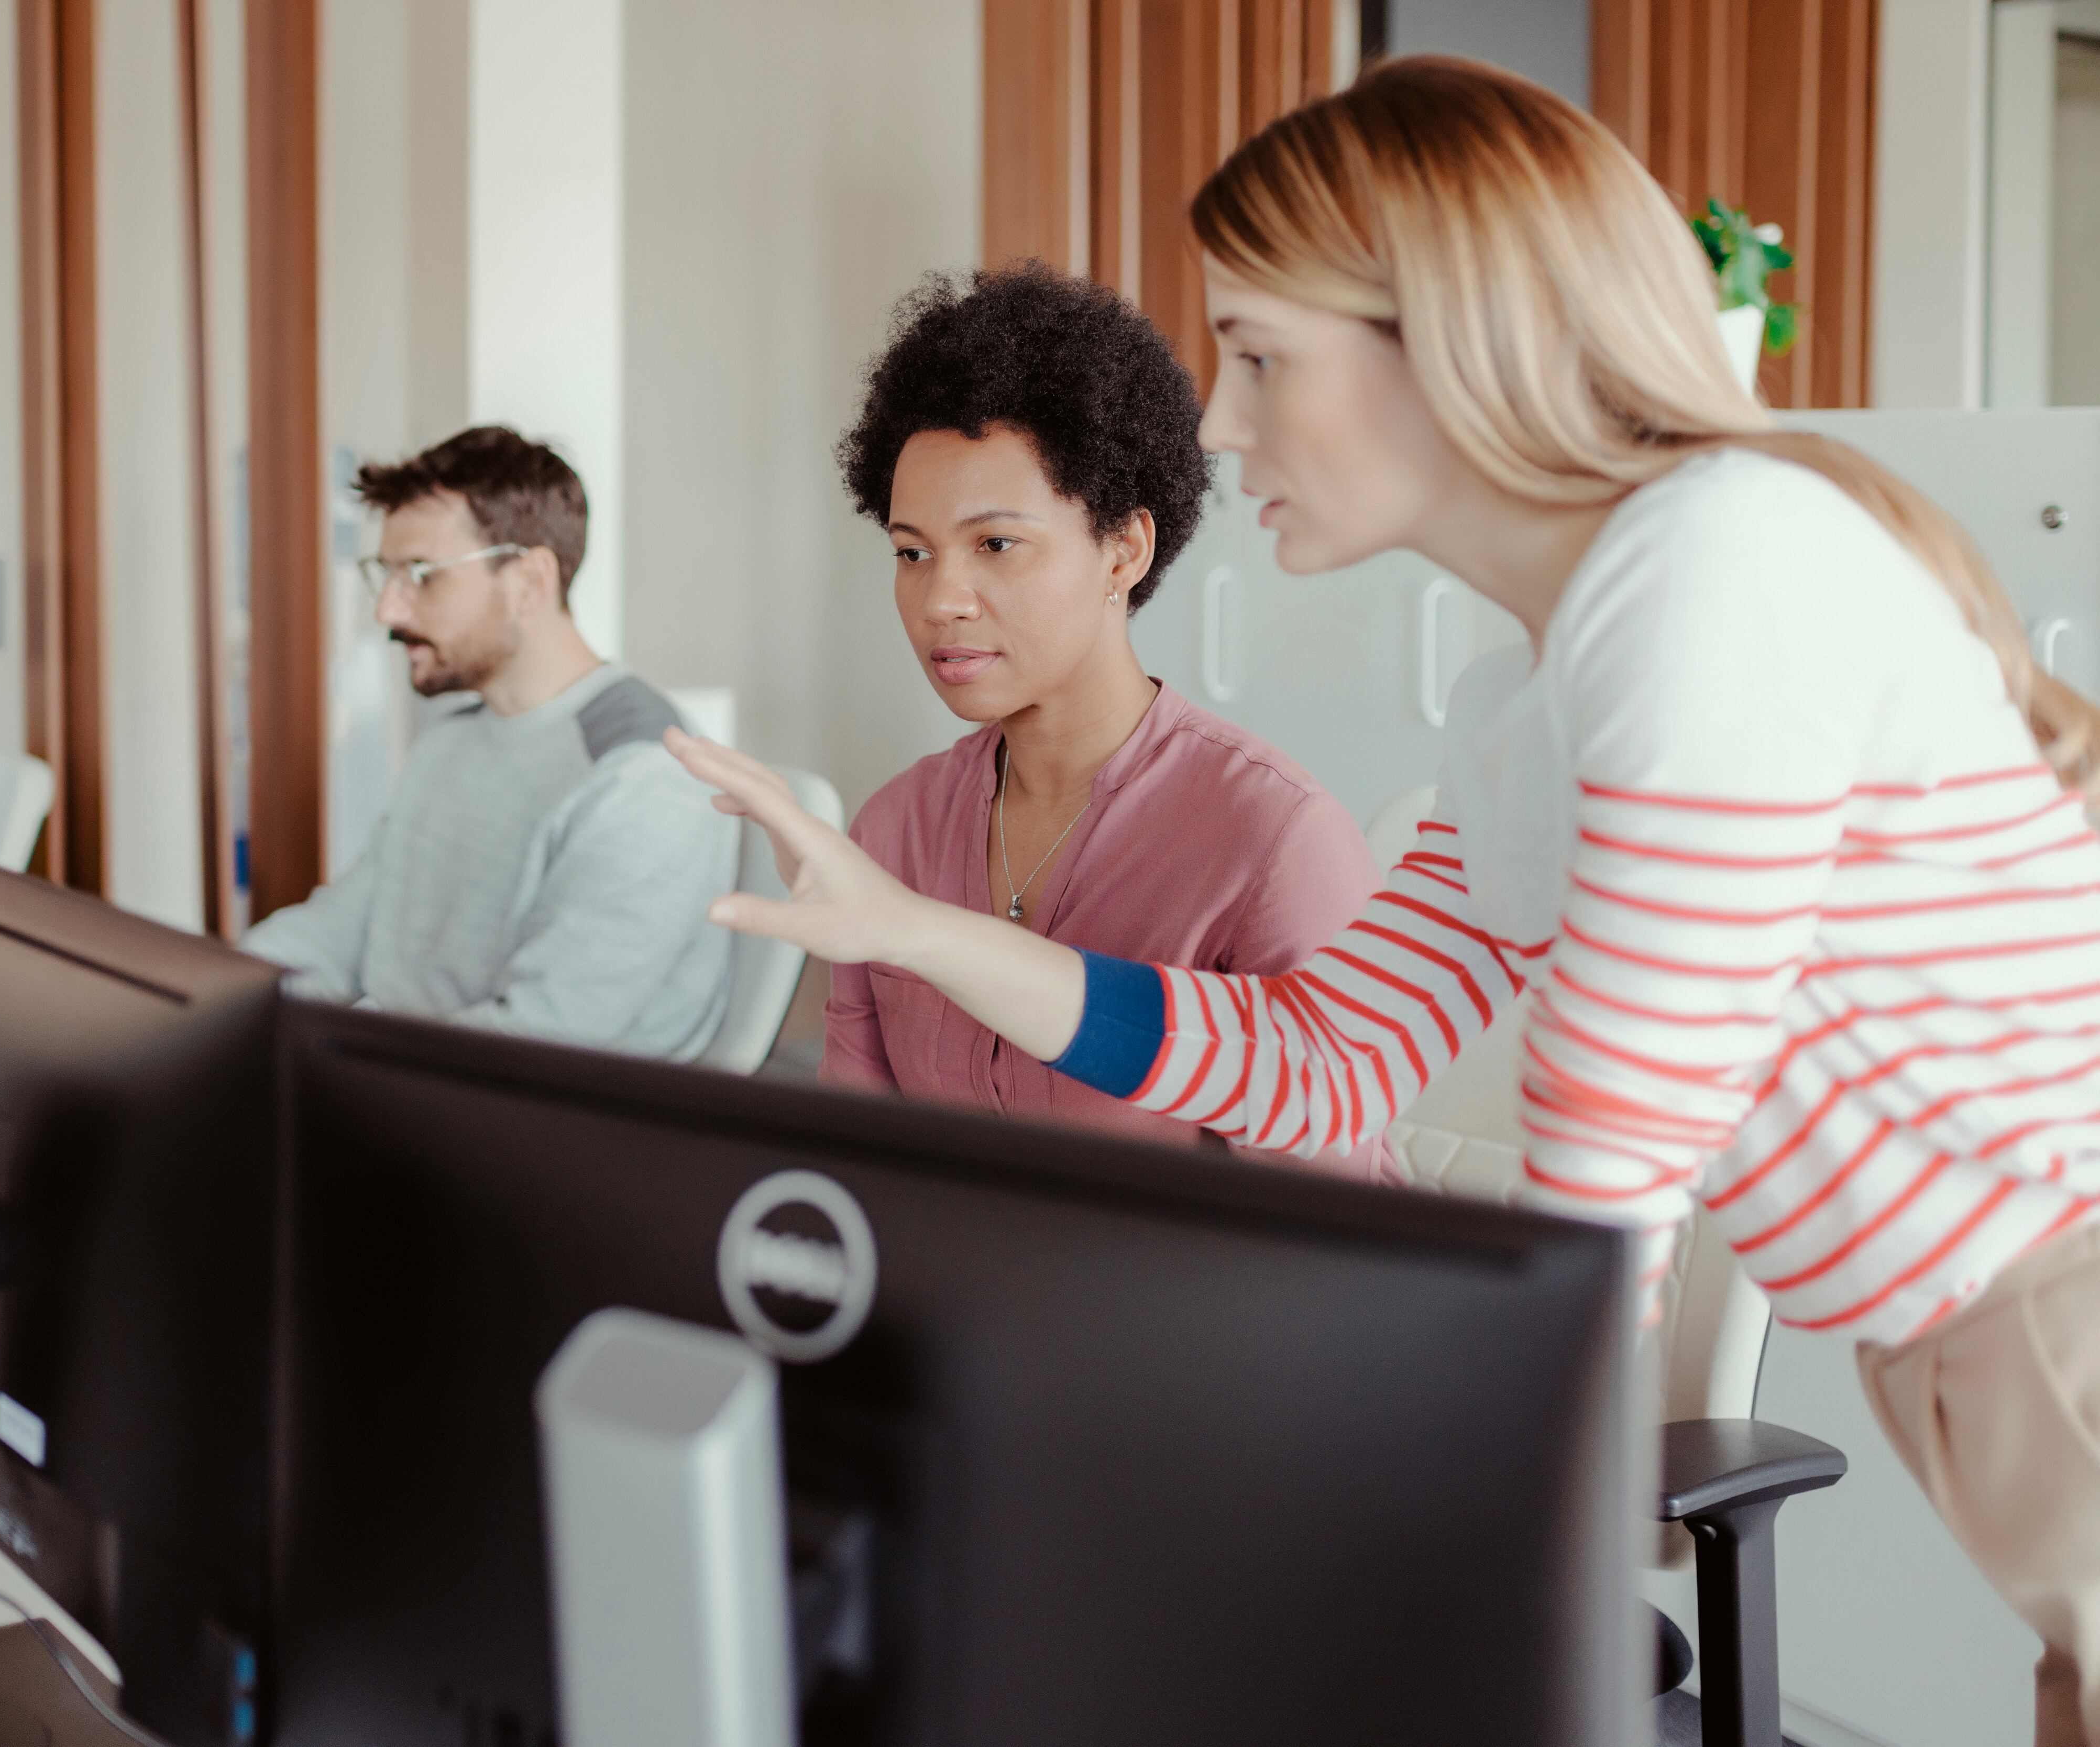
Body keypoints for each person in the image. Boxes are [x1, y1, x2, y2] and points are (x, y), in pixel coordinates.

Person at [669, 57, 2100, 1745]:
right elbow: (1321, 1053)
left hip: (2052, 1306)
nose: (1217, 419)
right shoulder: (1529, 697)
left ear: (1449, 338)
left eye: (1264, 355)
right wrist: (911, 929)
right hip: (1963, 1339)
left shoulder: (1706, 574)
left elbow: (1610, 1151)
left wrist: (1463, 1542)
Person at [820, 264, 1386, 1176]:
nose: (941, 600)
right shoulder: (892, 830)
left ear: (1124, 548)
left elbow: (1342, 1249)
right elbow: (855, 1174)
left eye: (996, 545)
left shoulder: (1274, 842)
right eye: (912, 553)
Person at [246, 425, 735, 1061]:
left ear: (529, 580)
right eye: (386, 574)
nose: (387, 611)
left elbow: (535, 1042)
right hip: (400, 1086)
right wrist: (206, 993)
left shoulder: (645, 775)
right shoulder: (449, 743)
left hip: (526, 1127)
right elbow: (344, 928)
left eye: (420, 574)